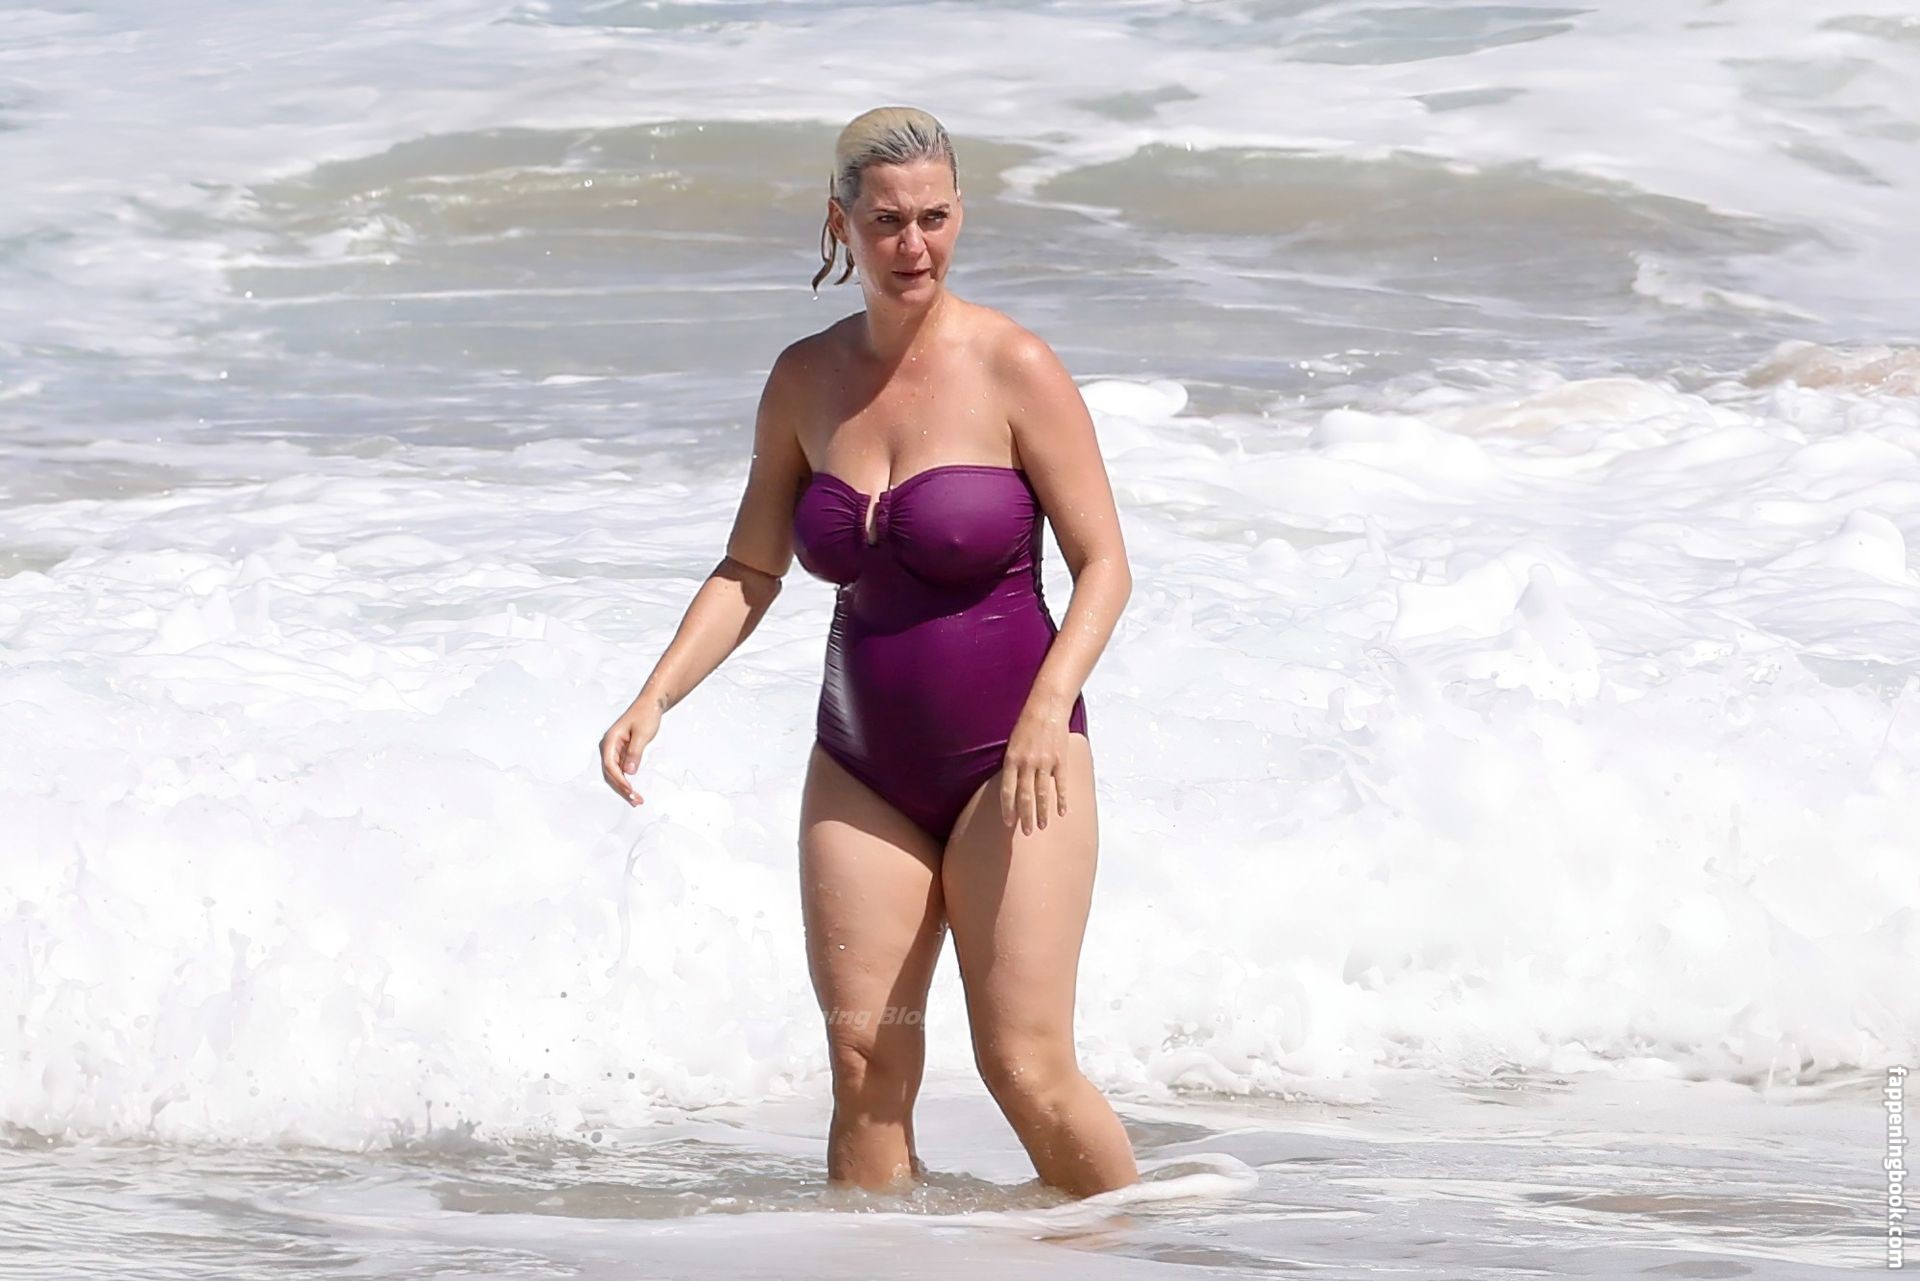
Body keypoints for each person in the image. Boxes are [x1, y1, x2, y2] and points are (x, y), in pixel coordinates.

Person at [597, 106, 1138, 1200]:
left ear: (959, 214)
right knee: (864, 1067)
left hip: (1012, 764)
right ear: (840, 222)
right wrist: (655, 696)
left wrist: (1048, 711)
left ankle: (1139, 1249)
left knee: (1024, 1066)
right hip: (861, 767)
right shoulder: (805, 379)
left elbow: (1105, 565)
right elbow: (751, 569)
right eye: (887, 221)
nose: (913, 245)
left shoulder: (1014, 366)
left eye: (934, 217)